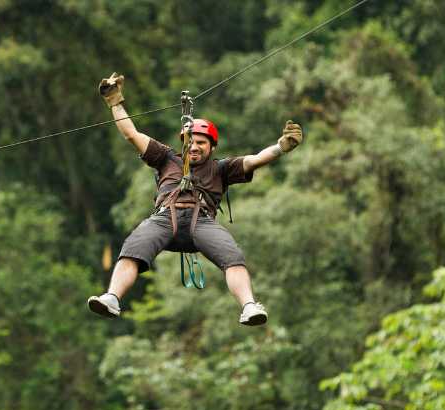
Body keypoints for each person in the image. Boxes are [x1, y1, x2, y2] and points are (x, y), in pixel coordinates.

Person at [87, 72, 303, 326]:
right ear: (184, 142)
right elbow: (131, 134)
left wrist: (280, 147)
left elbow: (256, 159)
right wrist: (115, 102)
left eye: (202, 143)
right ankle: (112, 297)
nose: (195, 147)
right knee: (133, 249)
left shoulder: (221, 168)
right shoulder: (167, 158)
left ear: (212, 147)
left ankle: (249, 306)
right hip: (165, 219)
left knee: (232, 257)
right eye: (191, 142)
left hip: (202, 223)